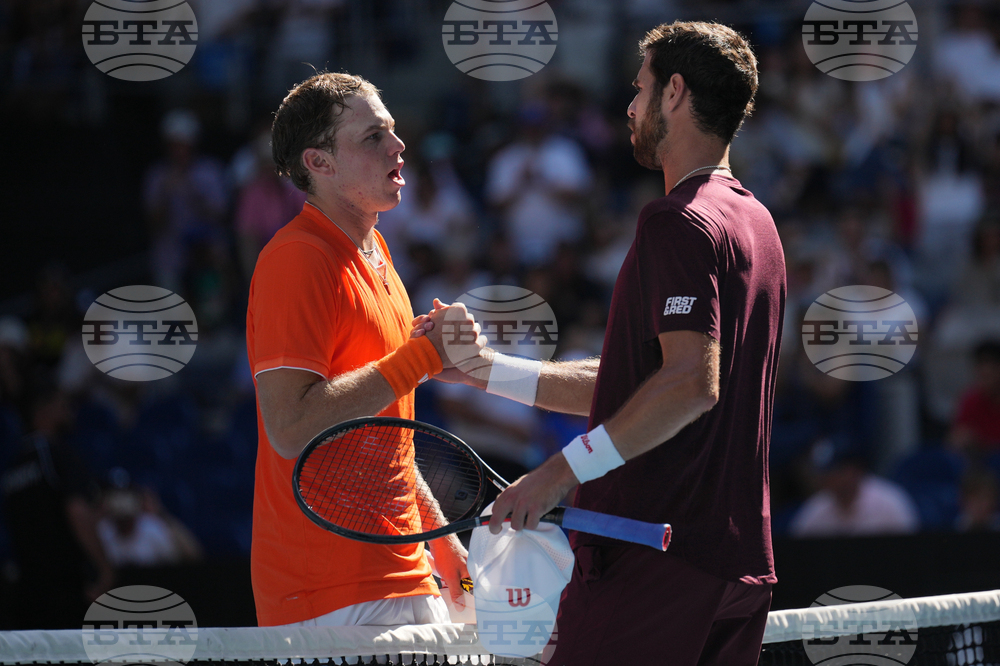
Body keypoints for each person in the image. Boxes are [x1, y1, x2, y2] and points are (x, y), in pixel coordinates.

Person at [415, 21, 784, 664]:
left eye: (639, 89)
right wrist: (487, 372)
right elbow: (643, 385)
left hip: (653, 558)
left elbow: (689, 385)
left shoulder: (678, 220)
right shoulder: (758, 223)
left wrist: (555, 476)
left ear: (675, 92)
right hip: (736, 565)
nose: (630, 106)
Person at [247, 72, 483, 628]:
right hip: (331, 593)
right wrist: (425, 357)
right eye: (373, 137)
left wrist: (446, 549)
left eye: (393, 131)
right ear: (319, 163)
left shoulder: (376, 251)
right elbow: (290, 426)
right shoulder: (297, 259)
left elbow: (387, 442)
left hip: (405, 574)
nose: (398, 146)